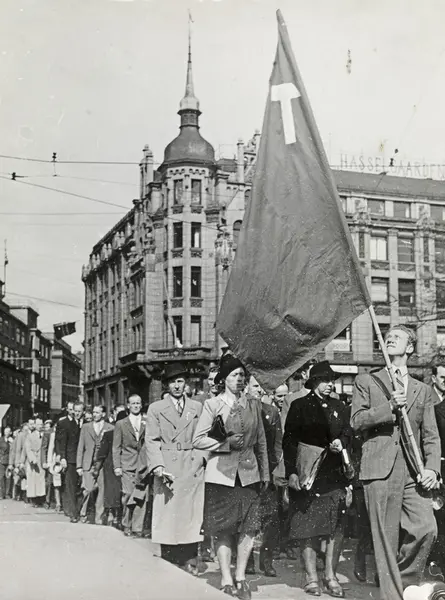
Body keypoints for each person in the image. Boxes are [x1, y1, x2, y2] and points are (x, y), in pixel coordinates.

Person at [351, 325, 441, 600]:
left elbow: (431, 436)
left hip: (413, 472)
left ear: (410, 347)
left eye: (397, 337)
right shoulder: (367, 381)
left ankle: (405, 584)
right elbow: (356, 421)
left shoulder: (422, 389)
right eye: (387, 337)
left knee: (426, 528)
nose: (389, 339)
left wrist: (432, 468)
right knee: (386, 541)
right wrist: (388, 408)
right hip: (379, 471)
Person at [193, 354, 269, 599]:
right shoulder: (213, 405)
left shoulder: (253, 404)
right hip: (221, 476)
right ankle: (226, 577)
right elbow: (198, 439)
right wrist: (224, 444)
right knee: (223, 529)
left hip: (249, 474)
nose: (239, 379)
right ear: (224, 379)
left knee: (249, 528)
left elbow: (261, 442)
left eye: (242, 375)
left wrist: (265, 473)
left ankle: (241, 577)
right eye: (234, 375)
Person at [283, 361, 352, 598]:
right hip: (308, 474)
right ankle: (311, 577)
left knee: (335, 526)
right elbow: (289, 441)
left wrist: (341, 441)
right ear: (313, 382)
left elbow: (347, 432)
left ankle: (330, 576)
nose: (329, 385)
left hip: (334, 475)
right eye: (324, 380)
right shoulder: (299, 405)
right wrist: (291, 472)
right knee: (308, 526)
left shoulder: (339, 406)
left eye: (332, 380)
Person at [146, 363, 205, 573]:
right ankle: (170, 560)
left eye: (180, 381)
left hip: (191, 464)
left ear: (186, 383)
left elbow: (203, 437)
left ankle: (190, 559)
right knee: (168, 514)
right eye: (172, 382)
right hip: (167, 466)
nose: (177, 386)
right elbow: (151, 440)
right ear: (166, 385)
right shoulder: (156, 409)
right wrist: (158, 466)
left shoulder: (197, 408)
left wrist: (200, 461)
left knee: (191, 513)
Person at [245, 376, 282, 578]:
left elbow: (277, 444)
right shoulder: (240, 410)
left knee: (270, 519)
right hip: (246, 470)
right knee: (247, 517)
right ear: (247, 387)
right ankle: (247, 560)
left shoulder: (272, 412)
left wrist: (275, 470)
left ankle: (267, 562)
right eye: (255, 386)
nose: (259, 390)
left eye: (262, 387)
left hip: (268, 471)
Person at [113, 394, 147, 537]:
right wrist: (117, 466)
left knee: (141, 496)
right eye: (133, 403)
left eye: (138, 403)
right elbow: (116, 447)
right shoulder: (121, 424)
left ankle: (137, 527)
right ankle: (126, 523)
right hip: (127, 464)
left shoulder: (147, 422)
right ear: (128, 406)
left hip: (143, 465)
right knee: (128, 494)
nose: (136, 406)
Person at [77, 405, 113, 525]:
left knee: (102, 491)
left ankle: (99, 517)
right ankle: (83, 512)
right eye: (94, 412)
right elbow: (81, 446)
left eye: (97, 412)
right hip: (88, 463)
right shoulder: (86, 427)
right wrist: (79, 465)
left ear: (103, 414)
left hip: (103, 464)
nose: (94, 415)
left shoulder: (110, 427)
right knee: (88, 489)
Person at [93, 410, 125, 528]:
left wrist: (96, 468)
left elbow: (101, 453)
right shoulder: (127, 434)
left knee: (111, 492)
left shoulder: (109, 434)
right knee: (120, 492)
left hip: (110, 466)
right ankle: (118, 517)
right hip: (123, 465)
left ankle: (112, 516)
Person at [58, 402, 84, 522]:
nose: (77, 413)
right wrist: (63, 457)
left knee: (81, 487)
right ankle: (74, 514)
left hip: (83, 459)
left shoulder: (86, 424)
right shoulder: (66, 424)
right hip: (71, 459)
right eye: (75, 411)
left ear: (83, 411)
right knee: (71, 487)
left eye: (79, 411)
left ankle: (80, 510)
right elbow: (62, 442)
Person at [24, 418, 46, 506]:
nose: (40, 426)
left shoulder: (44, 435)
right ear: (35, 425)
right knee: (33, 480)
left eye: (41, 424)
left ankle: (41, 498)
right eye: (38, 424)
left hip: (41, 459)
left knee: (41, 479)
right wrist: (32, 459)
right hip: (34, 460)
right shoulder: (30, 436)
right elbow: (28, 449)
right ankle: (34, 499)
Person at [0, 426, 12, 499]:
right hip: (1, 460)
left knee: (8, 477)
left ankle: (7, 494)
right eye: (5, 431)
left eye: (8, 432)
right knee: (1, 477)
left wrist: (12, 442)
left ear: (10, 432)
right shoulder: (1, 440)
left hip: (9, 460)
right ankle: (2, 494)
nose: (6, 433)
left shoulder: (12, 440)